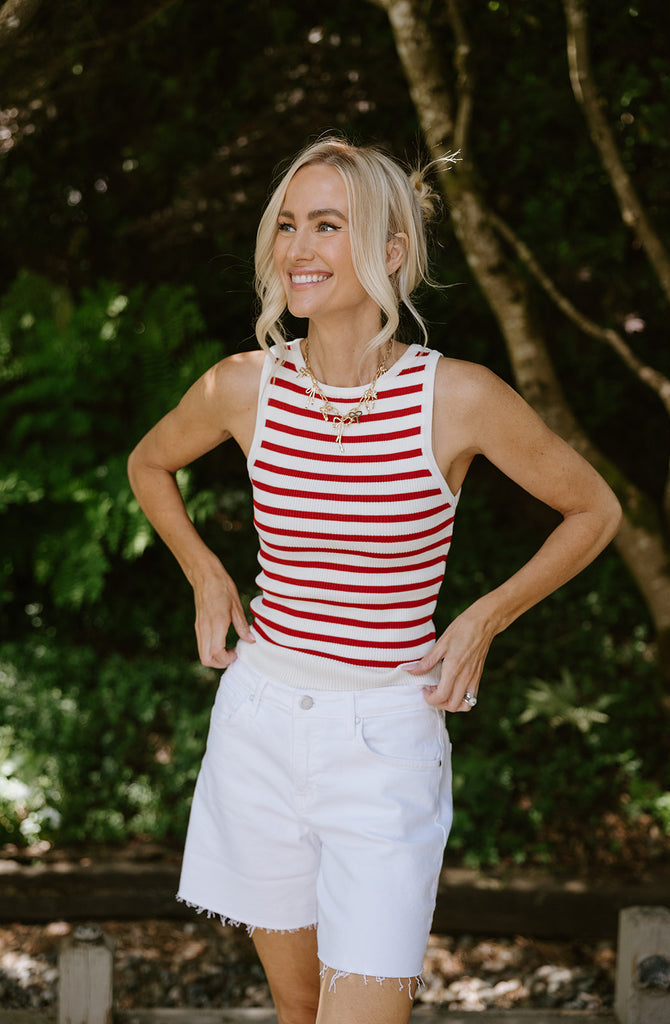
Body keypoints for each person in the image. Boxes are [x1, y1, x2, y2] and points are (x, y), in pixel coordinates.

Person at [127, 137, 622, 1024]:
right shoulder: (242, 388)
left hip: (386, 742)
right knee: (298, 1009)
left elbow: (593, 508)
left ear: (391, 251)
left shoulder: (457, 397)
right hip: (260, 725)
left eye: (328, 224)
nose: (298, 248)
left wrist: (486, 616)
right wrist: (204, 570)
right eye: (287, 225)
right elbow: (147, 464)